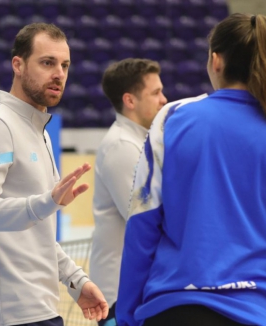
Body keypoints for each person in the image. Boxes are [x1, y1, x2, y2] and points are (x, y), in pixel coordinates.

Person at [116, 13, 266, 326]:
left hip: (173, 309)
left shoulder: (172, 120)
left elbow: (142, 225)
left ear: (216, 60)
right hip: (257, 312)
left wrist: (127, 316)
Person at [0, 23, 108, 326]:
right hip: (8, 316)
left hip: (40, 309)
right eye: (47, 62)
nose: (59, 73)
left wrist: (75, 280)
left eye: (65, 65)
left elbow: (35, 232)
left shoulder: (39, 132)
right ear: (18, 64)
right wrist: (44, 202)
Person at [90, 58, 167, 326]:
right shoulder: (122, 147)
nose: (164, 100)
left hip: (134, 291)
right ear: (130, 101)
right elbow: (148, 221)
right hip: (118, 298)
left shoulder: (141, 142)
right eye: (155, 93)